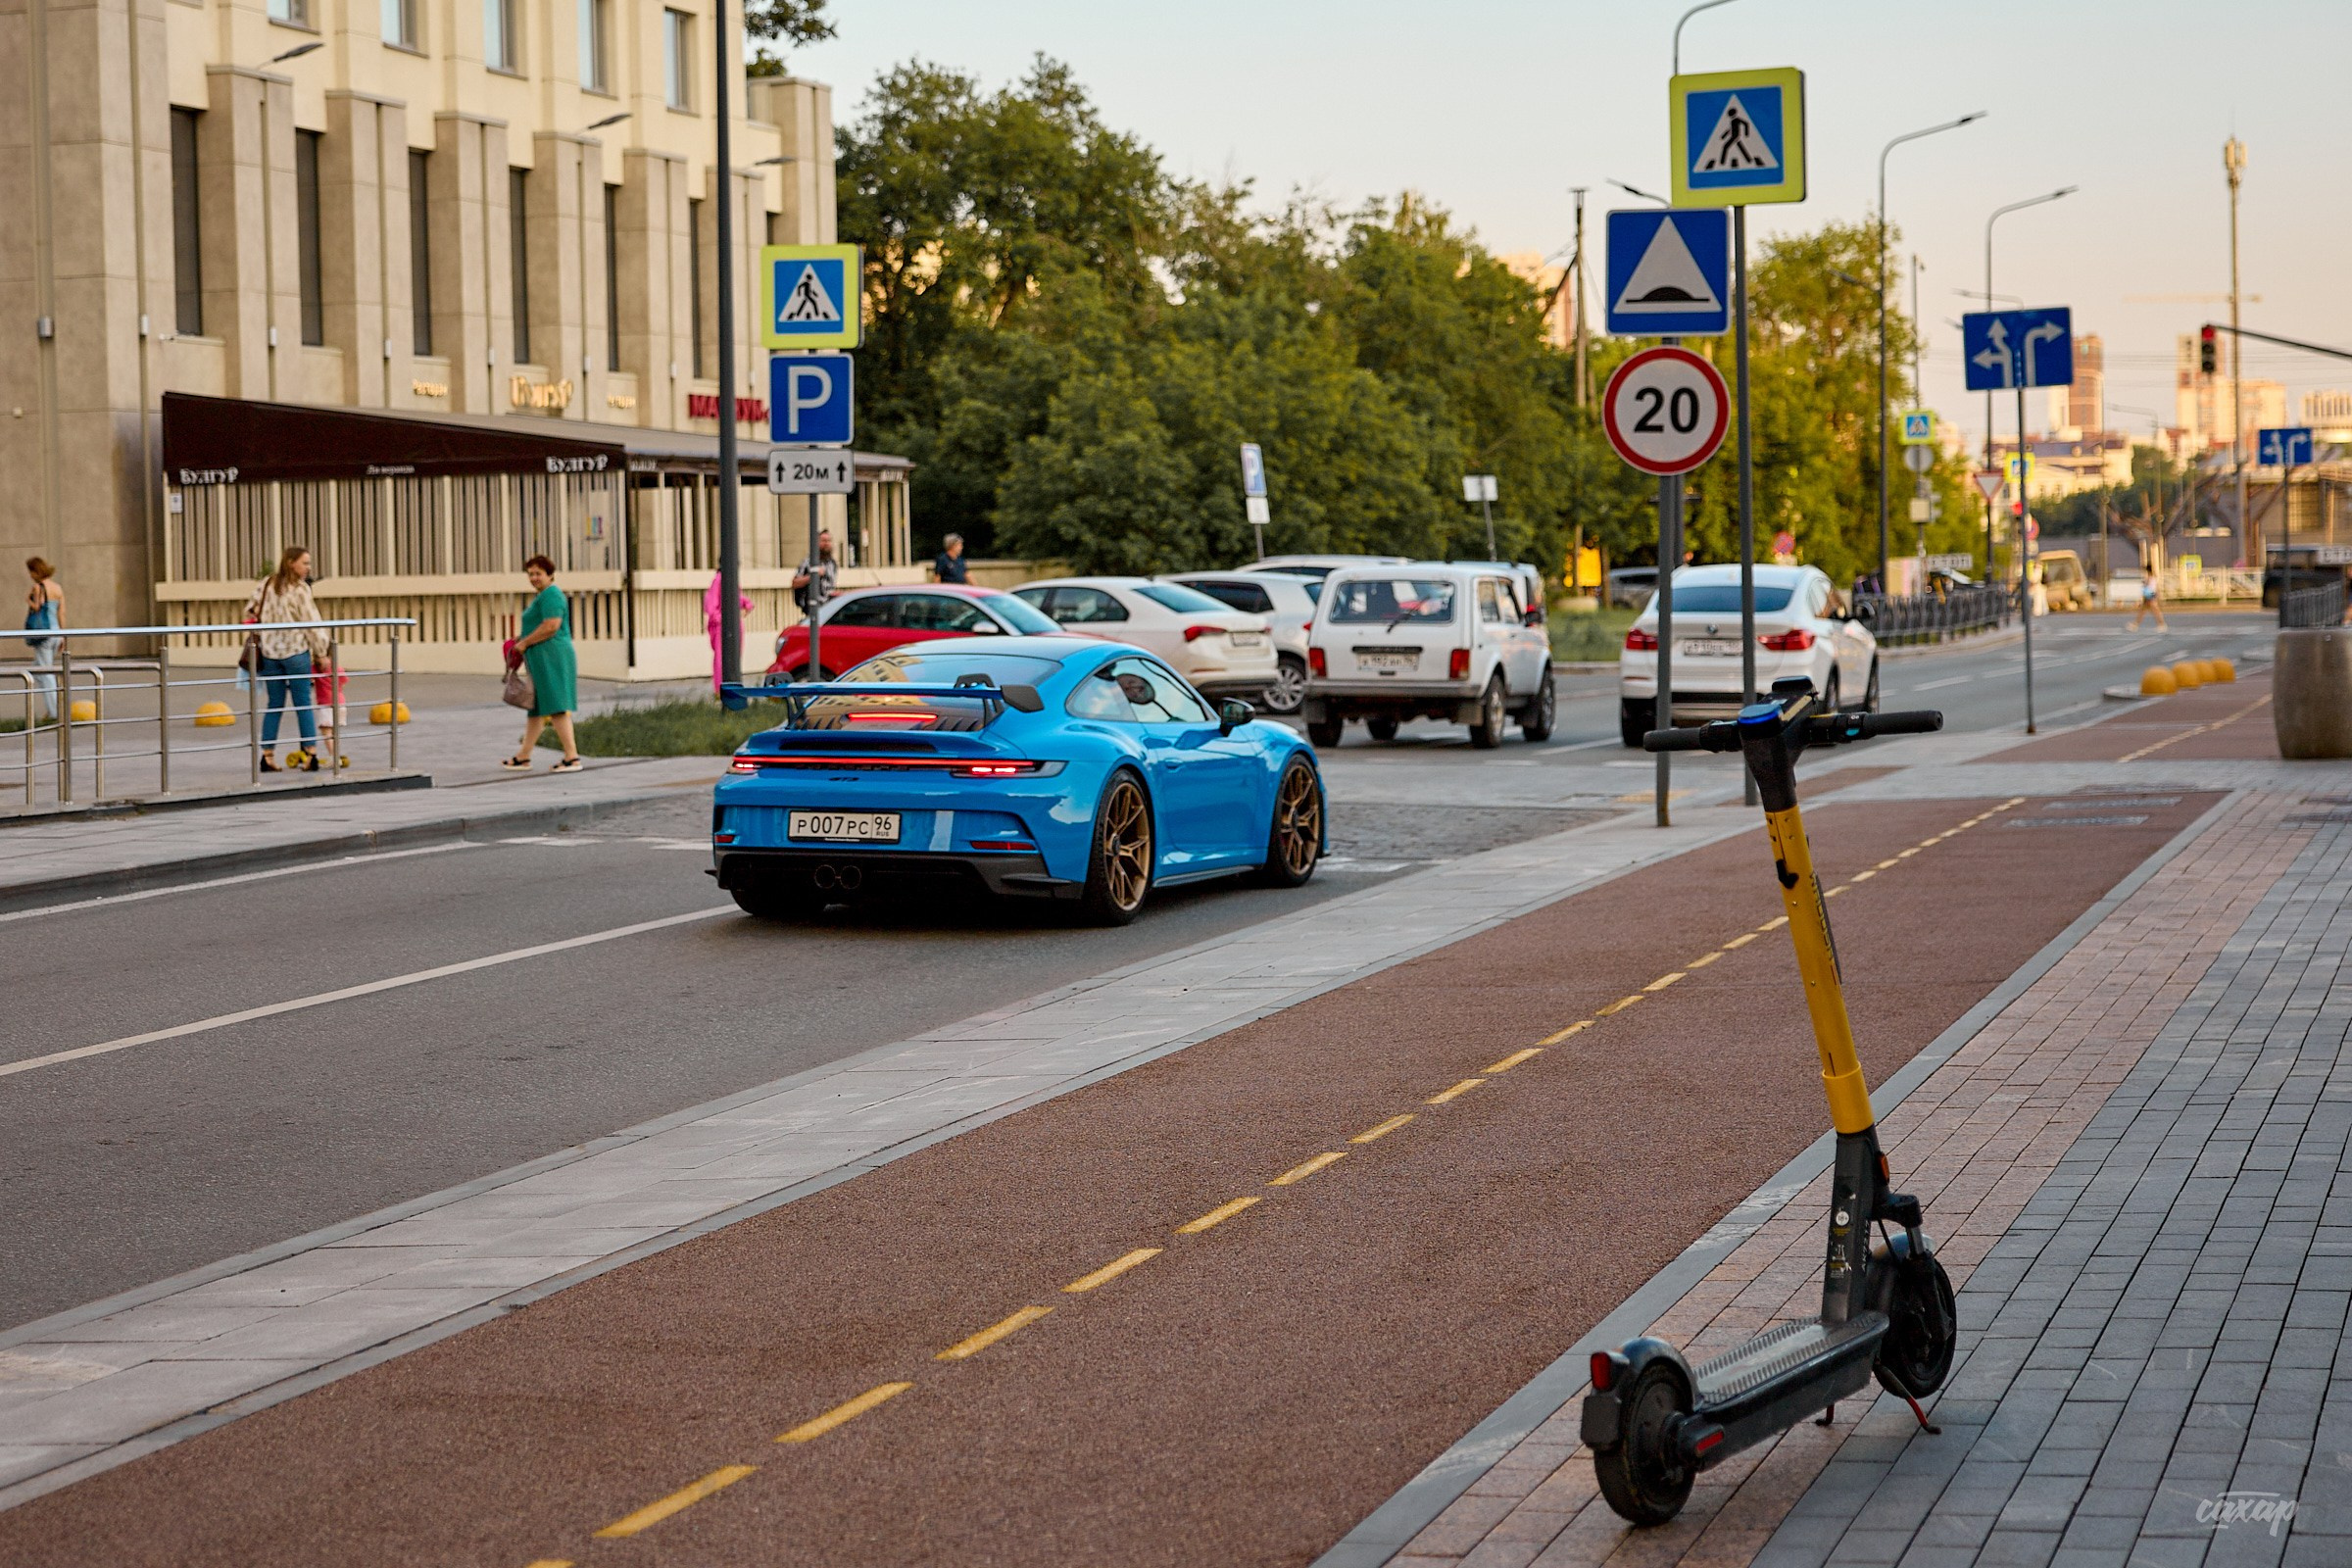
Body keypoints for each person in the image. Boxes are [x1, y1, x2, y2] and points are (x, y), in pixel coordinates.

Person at [243, 546, 331, 771]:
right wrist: (322, 653)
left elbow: (250, 610)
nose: (308, 568)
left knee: (274, 705)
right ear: (292, 563)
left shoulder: (266, 584)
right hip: (296, 652)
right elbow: (312, 623)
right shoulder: (300, 589)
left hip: (270, 653)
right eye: (305, 563)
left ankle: (267, 755)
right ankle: (310, 754)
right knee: (303, 704)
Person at [503, 555, 582, 772]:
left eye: (538, 573)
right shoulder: (543, 596)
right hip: (541, 659)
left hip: (552, 657)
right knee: (536, 709)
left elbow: (551, 626)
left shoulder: (552, 595)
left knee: (556, 706)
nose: (534, 578)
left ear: (550, 575)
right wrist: (521, 638)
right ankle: (523, 756)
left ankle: (572, 757)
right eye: (530, 574)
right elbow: (541, 624)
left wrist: (524, 642)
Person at [23, 558, 63, 721]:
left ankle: (55, 712)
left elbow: (37, 607)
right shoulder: (57, 588)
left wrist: (28, 600)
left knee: (46, 673)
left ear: (36, 571)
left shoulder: (39, 587)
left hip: (44, 634)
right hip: (56, 632)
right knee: (38, 671)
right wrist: (64, 635)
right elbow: (62, 613)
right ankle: (52, 708)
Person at [704, 571, 755, 696]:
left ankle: (729, 689)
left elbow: (739, 599)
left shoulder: (730, 578)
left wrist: (745, 607)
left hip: (732, 622)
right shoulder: (720, 579)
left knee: (733, 657)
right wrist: (722, 618)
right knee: (722, 658)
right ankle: (722, 690)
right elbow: (711, 606)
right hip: (723, 624)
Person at [792, 528, 838, 612]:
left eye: (829, 541)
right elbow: (795, 583)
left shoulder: (832, 563)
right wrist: (813, 576)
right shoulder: (808, 562)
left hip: (829, 607)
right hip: (813, 608)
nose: (826, 543)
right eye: (823, 541)